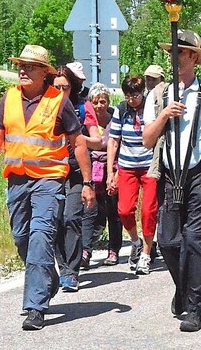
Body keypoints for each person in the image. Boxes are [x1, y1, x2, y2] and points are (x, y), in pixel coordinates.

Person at [0, 45, 95, 330]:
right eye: (21, 65)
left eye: (30, 66)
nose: (23, 70)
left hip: (49, 180)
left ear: (45, 72)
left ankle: (35, 306)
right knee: (22, 238)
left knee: (41, 236)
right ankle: (48, 279)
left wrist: (88, 182)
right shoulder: (9, 98)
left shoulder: (59, 101)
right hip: (17, 180)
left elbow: (78, 142)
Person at [142, 30, 201, 332]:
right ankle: (183, 288)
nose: (174, 56)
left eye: (181, 52)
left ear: (193, 58)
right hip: (170, 175)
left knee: (196, 242)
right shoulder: (158, 95)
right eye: (172, 51)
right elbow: (147, 140)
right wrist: (164, 116)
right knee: (170, 243)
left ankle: (195, 308)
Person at [52, 63, 100, 292]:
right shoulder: (45, 107)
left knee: (71, 217)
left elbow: (97, 140)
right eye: (56, 87)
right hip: (51, 171)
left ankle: (71, 272)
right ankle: (62, 268)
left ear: (73, 87)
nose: (60, 93)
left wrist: (76, 138)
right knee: (56, 220)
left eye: (65, 88)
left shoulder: (83, 107)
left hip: (77, 171)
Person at [107, 75, 158, 275]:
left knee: (148, 211)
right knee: (124, 210)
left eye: (135, 95)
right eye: (128, 95)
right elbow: (113, 141)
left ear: (142, 92)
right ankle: (135, 242)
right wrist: (111, 171)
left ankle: (145, 254)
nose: (131, 99)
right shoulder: (121, 110)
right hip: (127, 166)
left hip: (149, 166)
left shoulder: (151, 109)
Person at [81, 83, 122, 269]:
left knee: (114, 212)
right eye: (95, 102)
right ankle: (85, 251)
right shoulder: (85, 123)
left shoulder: (115, 119)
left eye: (103, 101)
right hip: (92, 169)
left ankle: (113, 249)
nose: (99, 106)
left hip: (112, 167)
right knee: (90, 212)